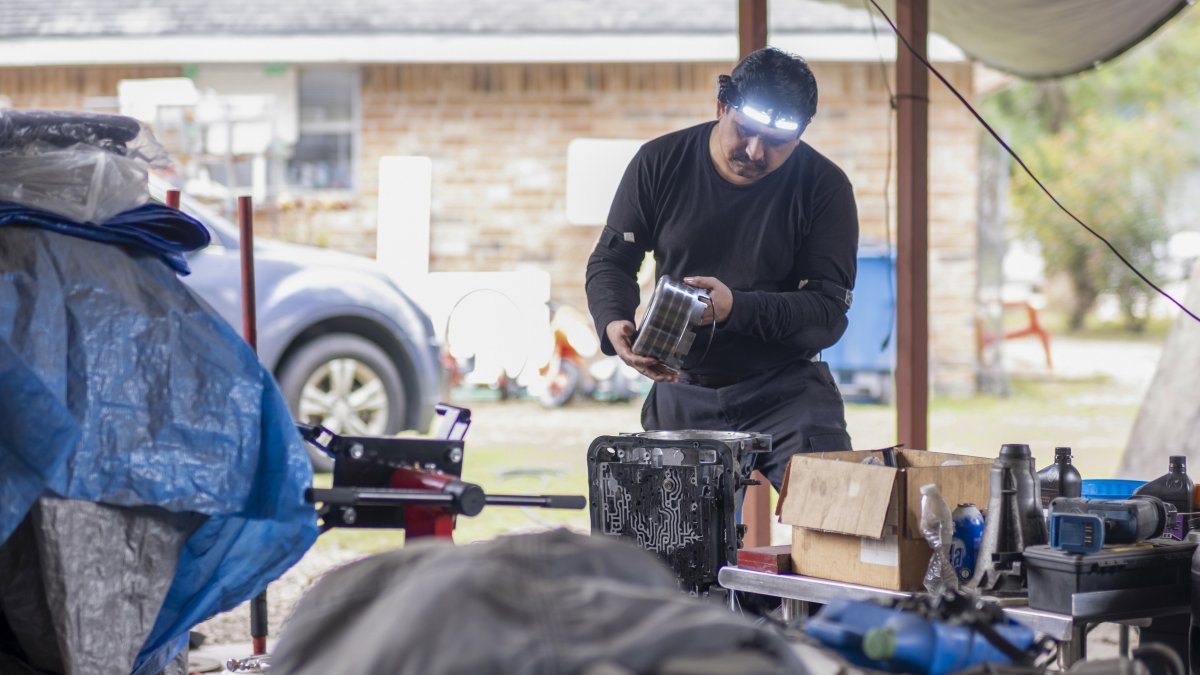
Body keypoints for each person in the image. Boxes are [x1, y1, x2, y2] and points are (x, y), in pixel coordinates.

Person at [584, 47, 858, 491]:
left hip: (788, 390)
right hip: (682, 386)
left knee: (834, 515)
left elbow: (827, 313)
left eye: (776, 143)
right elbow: (612, 260)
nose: (754, 151)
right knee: (672, 541)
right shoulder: (659, 162)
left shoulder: (824, 188)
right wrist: (614, 321)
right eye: (745, 132)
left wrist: (737, 309)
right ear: (721, 106)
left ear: (802, 133)